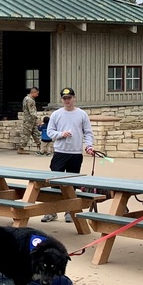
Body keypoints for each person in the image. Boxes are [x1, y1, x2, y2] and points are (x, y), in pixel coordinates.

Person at [42, 88, 95, 223]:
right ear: (61, 100)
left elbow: (88, 132)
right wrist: (61, 134)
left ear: (74, 98)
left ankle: (69, 212)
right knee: (54, 184)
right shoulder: (56, 114)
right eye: (64, 98)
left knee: (72, 185)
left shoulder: (82, 114)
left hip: (75, 154)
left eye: (69, 98)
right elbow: (50, 132)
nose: (67, 101)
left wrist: (89, 146)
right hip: (60, 152)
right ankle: (52, 211)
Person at [18, 87, 40, 155]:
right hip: (29, 120)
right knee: (26, 134)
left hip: (30, 119)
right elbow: (32, 111)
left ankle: (40, 146)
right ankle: (21, 148)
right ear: (33, 92)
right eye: (37, 93)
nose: (37, 95)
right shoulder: (30, 100)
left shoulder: (26, 98)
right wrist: (37, 119)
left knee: (36, 133)